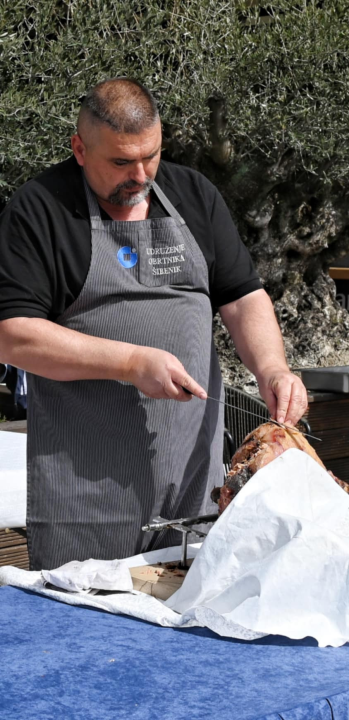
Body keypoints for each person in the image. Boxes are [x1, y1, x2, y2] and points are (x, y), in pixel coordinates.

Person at [0, 79, 307, 570]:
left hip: (195, 489)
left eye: (152, 156)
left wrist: (273, 368)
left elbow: (244, 297)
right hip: (87, 502)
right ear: (80, 149)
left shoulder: (194, 194)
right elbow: (13, 335)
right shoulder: (40, 209)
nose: (140, 175)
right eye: (121, 162)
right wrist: (129, 363)